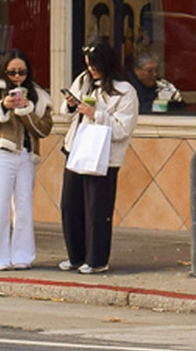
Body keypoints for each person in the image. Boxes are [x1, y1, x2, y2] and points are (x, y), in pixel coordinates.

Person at [58, 40, 139, 275]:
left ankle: (96, 259)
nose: (91, 69)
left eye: (95, 65)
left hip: (103, 156)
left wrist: (96, 114)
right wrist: (72, 105)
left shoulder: (125, 91)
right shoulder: (83, 81)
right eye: (87, 64)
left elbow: (123, 129)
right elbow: (65, 112)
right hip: (77, 149)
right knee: (70, 205)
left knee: (97, 209)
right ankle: (76, 256)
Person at [0, 52, 53, 270]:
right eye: (12, 72)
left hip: (27, 155)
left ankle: (22, 257)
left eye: (22, 72)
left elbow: (44, 130)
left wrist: (26, 110)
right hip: (2, 152)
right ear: (4, 71)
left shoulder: (39, 95)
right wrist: (3, 106)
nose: (17, 77)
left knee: (24, 207)